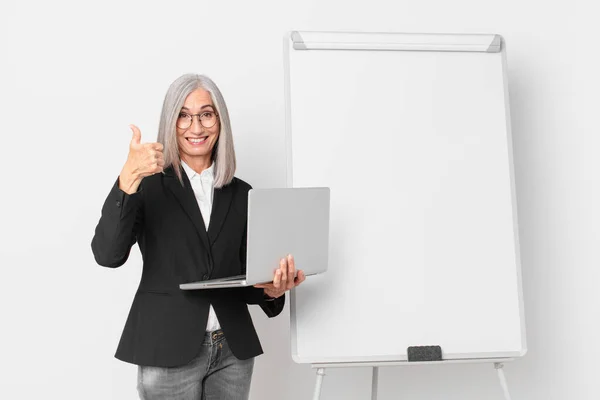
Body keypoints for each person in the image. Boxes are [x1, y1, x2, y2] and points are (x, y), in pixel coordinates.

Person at [91, 73, 305, 400]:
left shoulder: (242, 193)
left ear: (220, 121)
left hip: (232, 351)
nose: (196, 127)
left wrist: (272, 289)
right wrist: (128, 176)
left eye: (206, 114)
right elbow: (108, 254)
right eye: (184, 115)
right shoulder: (146, 186)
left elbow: (245, 279)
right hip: (166, 349)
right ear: (170, 122)